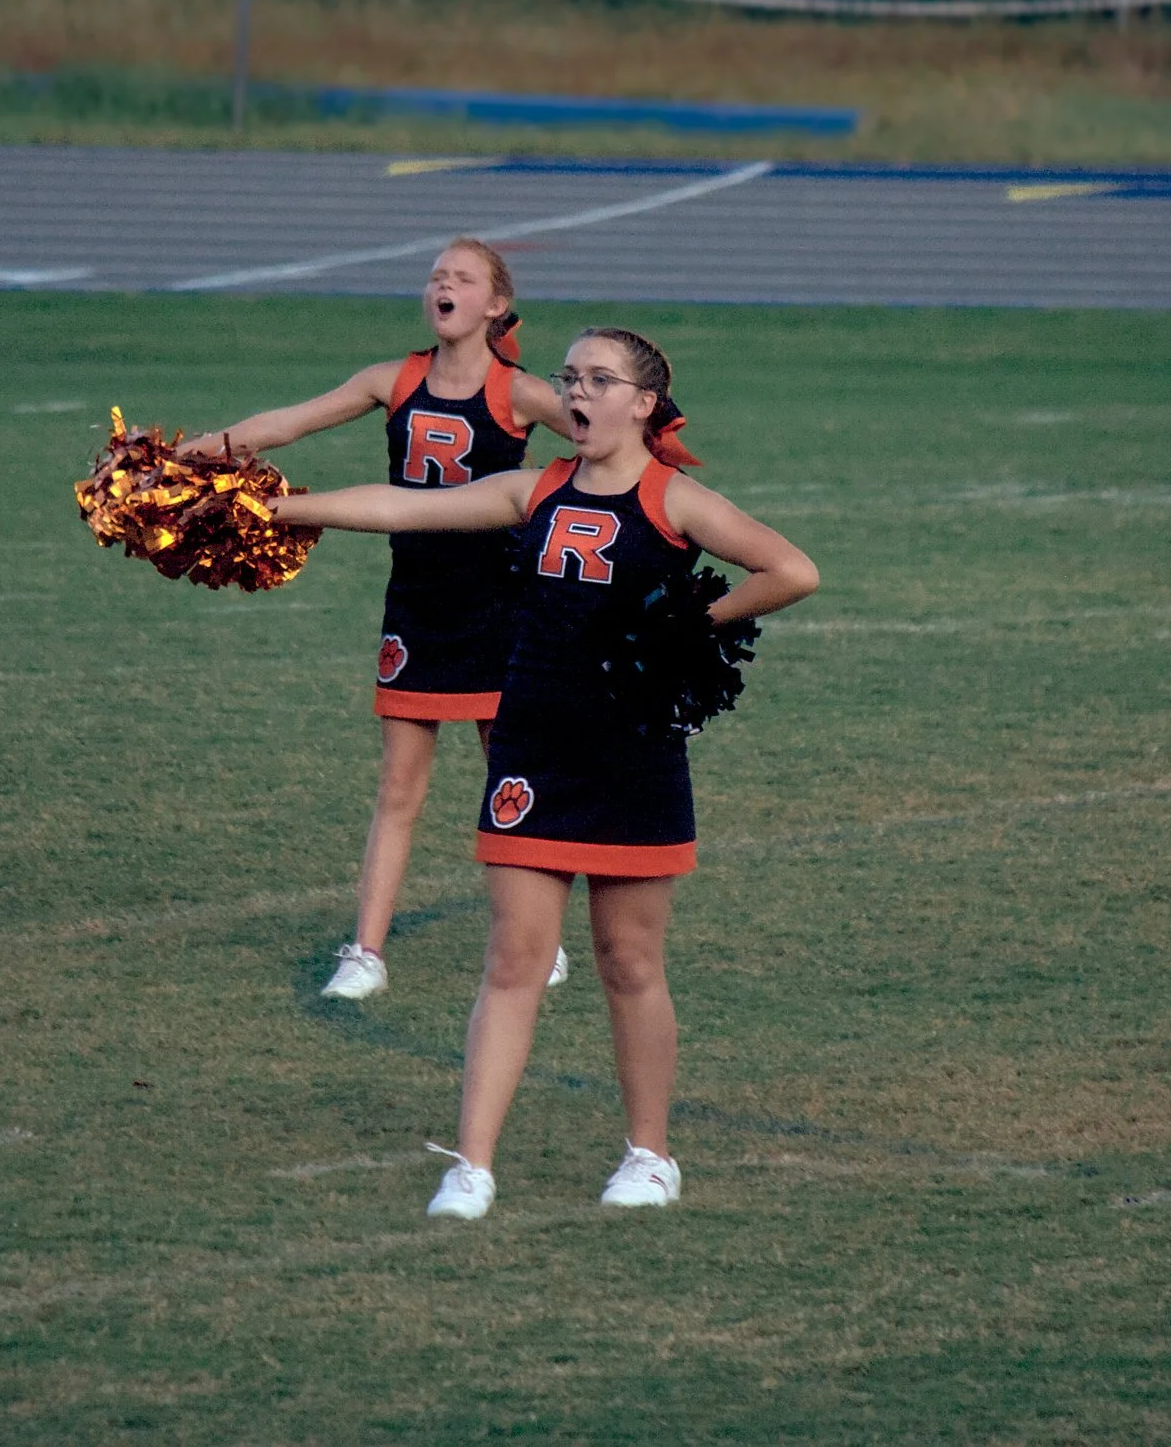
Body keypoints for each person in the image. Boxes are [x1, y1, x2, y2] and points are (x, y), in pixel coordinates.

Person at [273, 327, 821, 1218]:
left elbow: (792, 569)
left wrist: (697, 626)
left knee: (629, 960)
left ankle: (650, 1154)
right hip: (531, 750)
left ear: (643, 404)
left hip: (632, 756)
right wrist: (284, 510)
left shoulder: (673, 498)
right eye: (570, 377)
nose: (578, 392)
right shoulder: (535, 491)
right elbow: (405, 508)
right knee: (514, 956)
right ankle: (473, 1164)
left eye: (600, 379)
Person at [189, 239, 575, 1002]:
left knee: (513, 777)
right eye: (436, 275)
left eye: (462, 278)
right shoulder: (392, 379)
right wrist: (198, 453)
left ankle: (541, 939)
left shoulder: (520, 393)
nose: (444, 284)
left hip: (504, 608)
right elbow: (290, 423)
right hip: (420, 607)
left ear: (495, 305)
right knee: (399, 787)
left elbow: (603, 441)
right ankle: (365, 951)